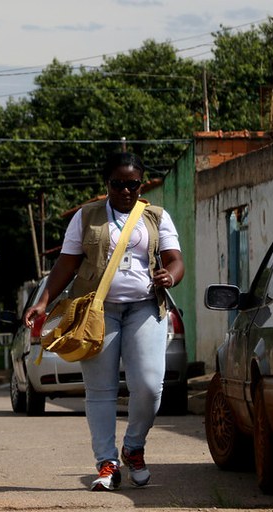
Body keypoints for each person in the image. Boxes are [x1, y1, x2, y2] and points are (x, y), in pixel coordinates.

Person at [23, 152, 184, 492]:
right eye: (118, 184)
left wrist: (169, 275)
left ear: (141, 183)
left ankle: (134, 447)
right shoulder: (86, 216)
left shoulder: (156, 216)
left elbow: (175, 260)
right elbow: (66, 265)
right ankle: (107, 462)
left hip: (144, 307)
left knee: (150, 386)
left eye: (133, 184)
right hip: (97, 311)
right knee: (100, 391)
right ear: (107, 184)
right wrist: (42, 302)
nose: (126, 190)